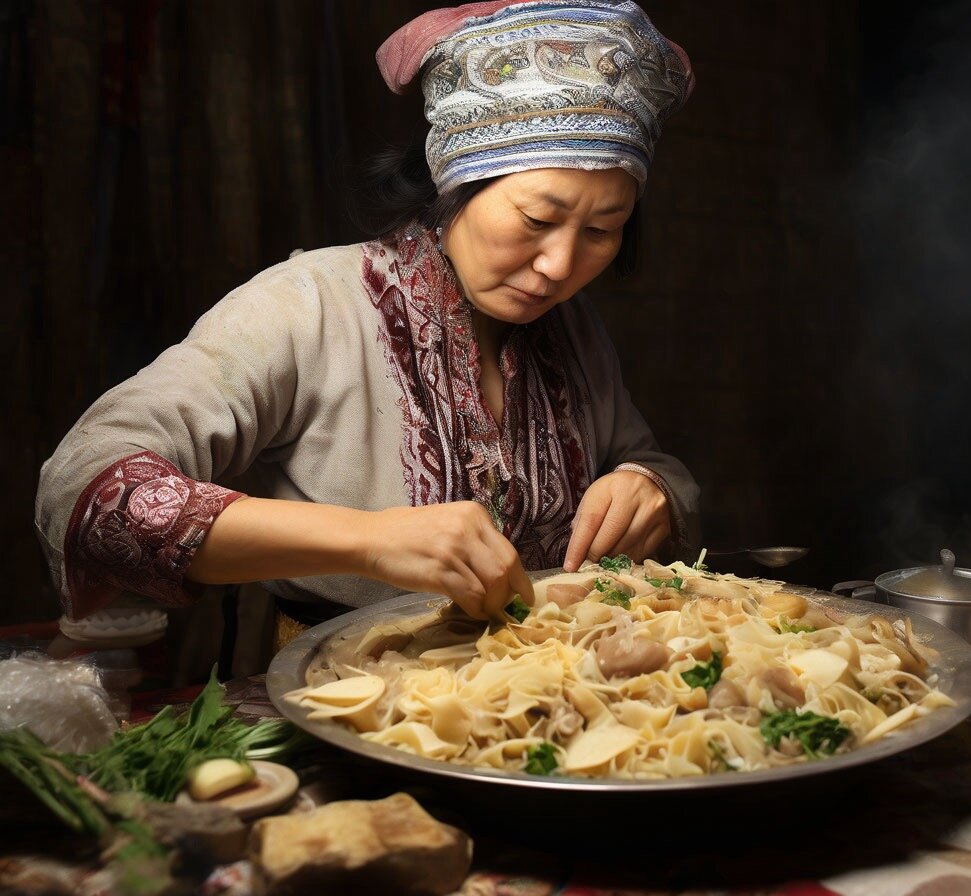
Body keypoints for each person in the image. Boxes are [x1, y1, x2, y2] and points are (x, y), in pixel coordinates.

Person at [34, 0, 701, 639]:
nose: (560, 264)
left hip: (548, 701)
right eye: (538, 219)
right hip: (337, 695)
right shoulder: (310, 304)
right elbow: (87, 488)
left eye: (603, 229)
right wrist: (369, 539)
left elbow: (641, 457)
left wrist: (652, 487)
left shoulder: (575, 334)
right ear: (455, 185)